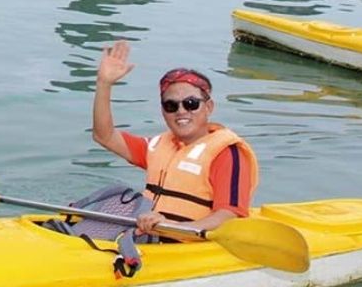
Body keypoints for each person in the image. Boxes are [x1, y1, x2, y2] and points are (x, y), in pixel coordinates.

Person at [91, 40, 258, 237]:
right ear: (163, 111)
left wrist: (172, 227)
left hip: (188, 246)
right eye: (171, 105)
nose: (181, 111)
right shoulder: (157, 146)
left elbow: (229, 216)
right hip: (149, 238)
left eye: (191, 103)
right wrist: (104, 84)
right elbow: (104, 136)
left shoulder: (227, 153)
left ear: (209, 107)